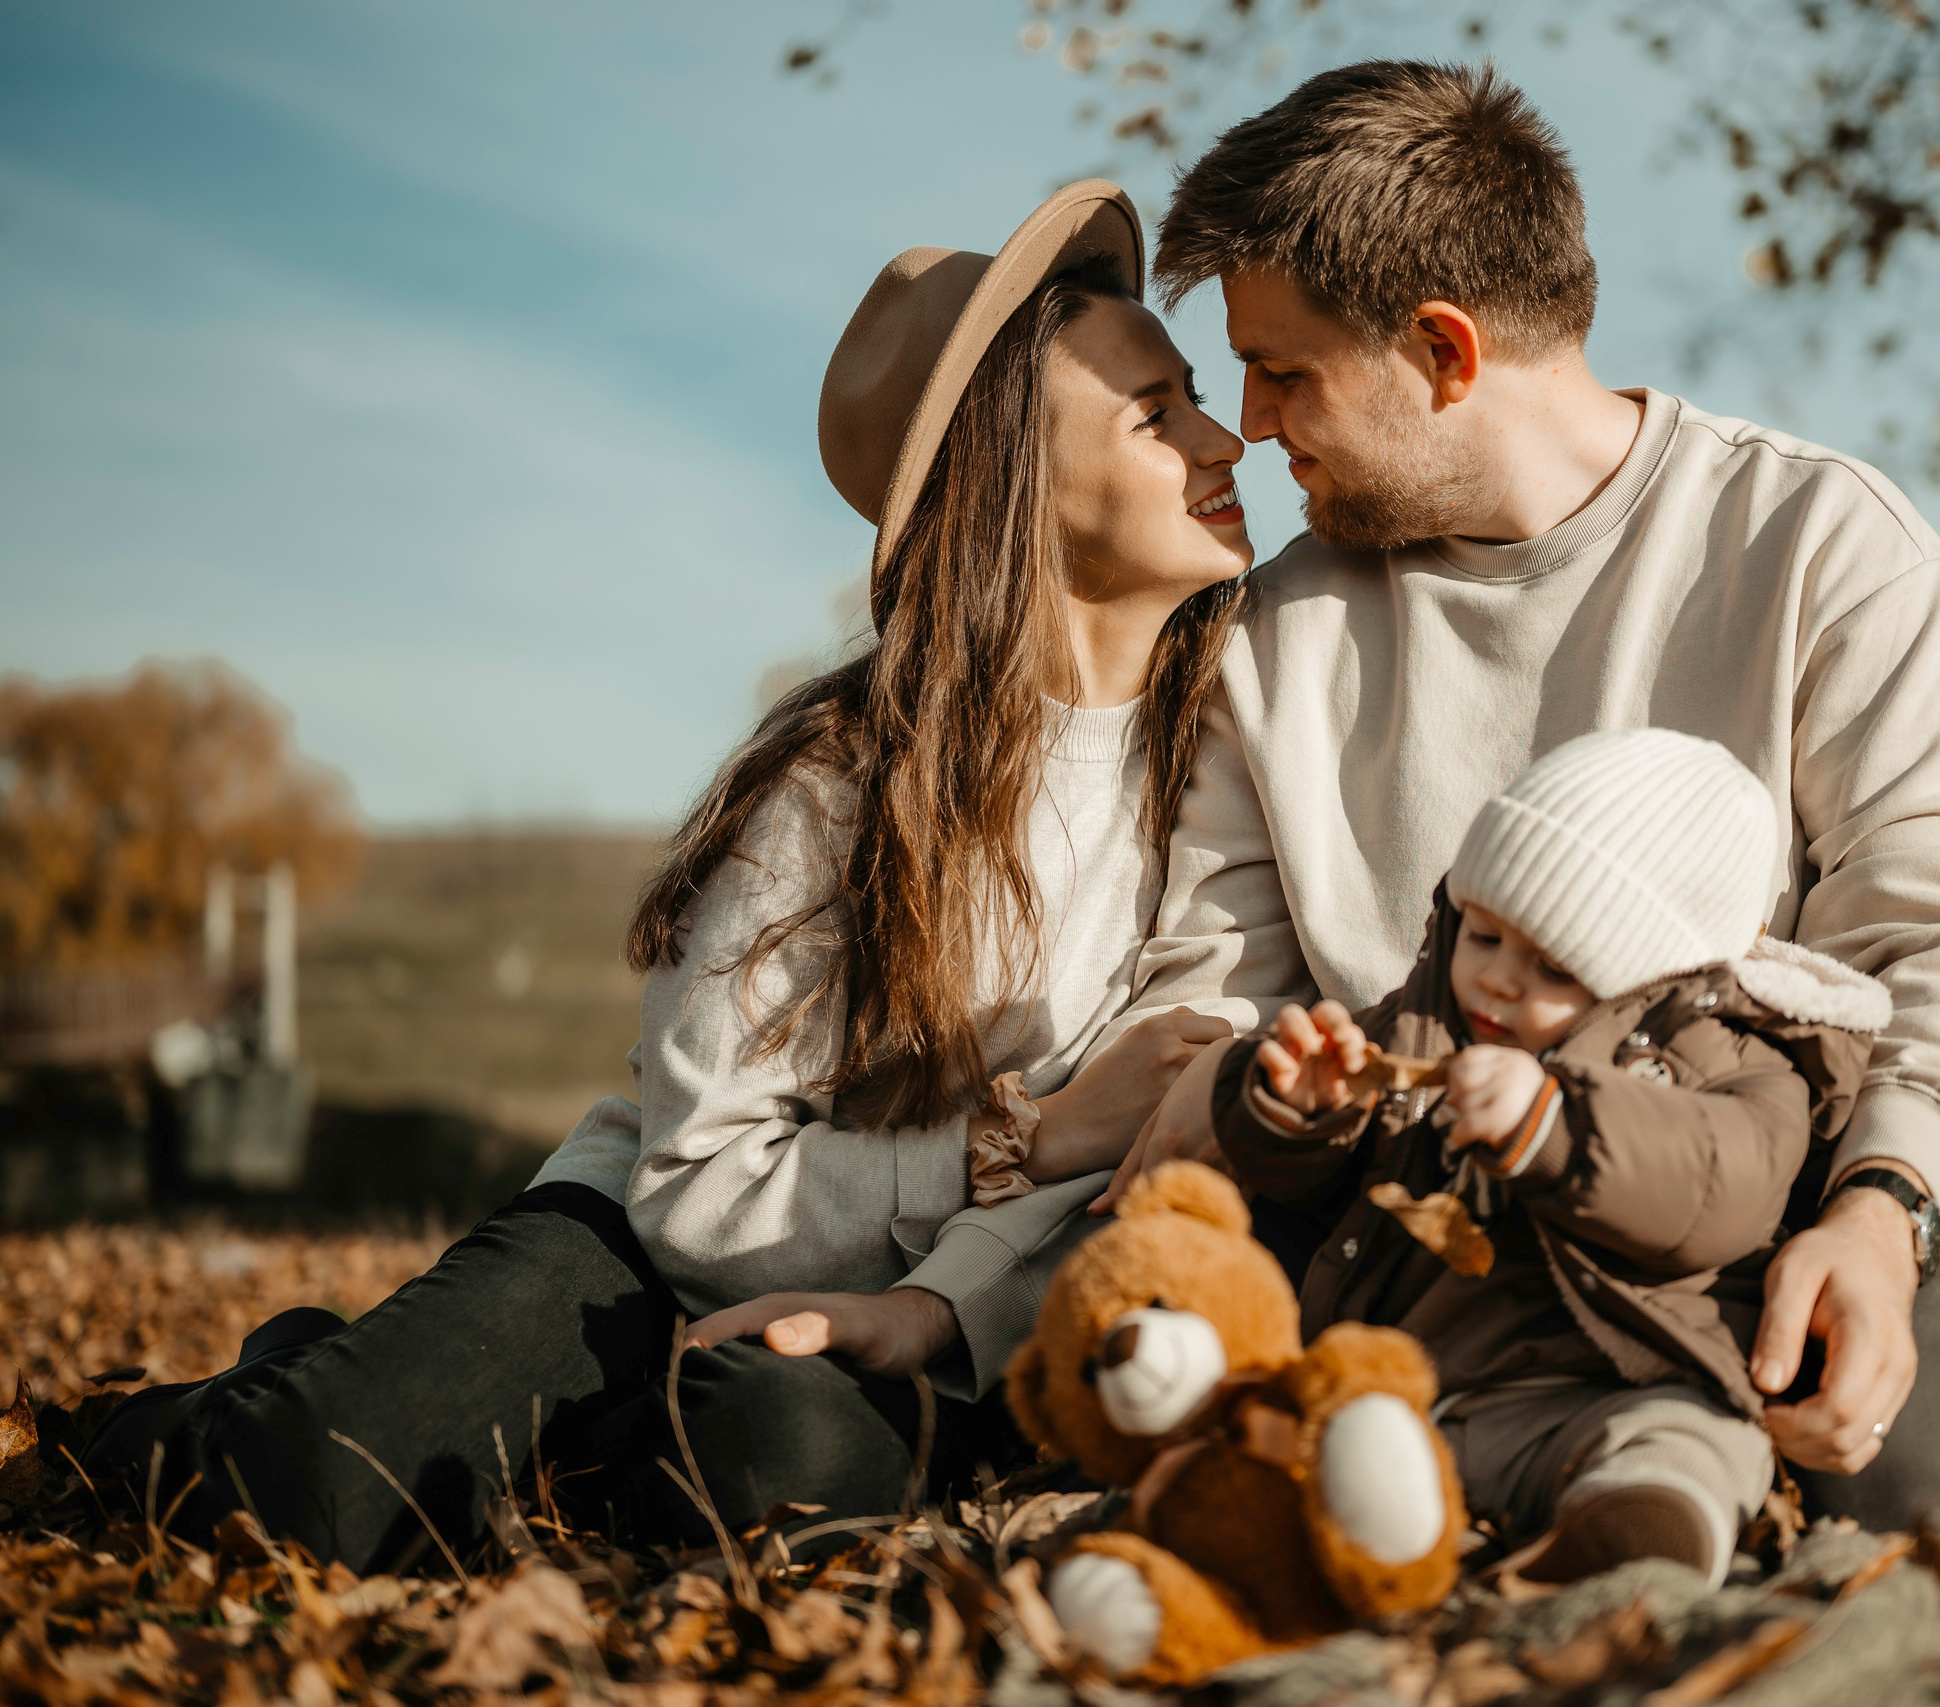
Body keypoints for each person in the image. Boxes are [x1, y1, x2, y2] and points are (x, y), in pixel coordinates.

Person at [87, 181, 1250, 1570]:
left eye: (1196, 396)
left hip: (937, 1310)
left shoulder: (1225, 756)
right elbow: (697, 1193)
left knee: (776, 1467)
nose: (1225, 436)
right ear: (1018, 482)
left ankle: (491, 1428)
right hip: (641, 1255)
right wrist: (1030, 1134)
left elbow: (1161, 1127)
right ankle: (285, 1397)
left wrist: (955, 1284)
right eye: (1156, 411)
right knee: (294, 1493)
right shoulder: (839, 786)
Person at [1096, 62, 1940, 1536]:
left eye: (1285, 370)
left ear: (1444, 349)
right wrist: (1253, 1084)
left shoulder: (1816, 545)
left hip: (1742, 1194)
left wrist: (1884, 1208)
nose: (1253, 423)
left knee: (1916, 1503)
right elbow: (1216, 977)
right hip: (1394, 1215)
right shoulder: (1267, 633)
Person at [1219, 729, 1894, 1585]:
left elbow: (1717, 1186)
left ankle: (1636, 1535)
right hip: (1429, 1384)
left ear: (1646, 979)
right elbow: (1302, 1178)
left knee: (1689, 1442)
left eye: (1550, 964)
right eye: (1485, 935)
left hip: (1610, 1384)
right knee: (1318, 1438)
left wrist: (1557, 1123)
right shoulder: (1426, 1023)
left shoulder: (1732, 1060)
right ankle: (1364, 1531)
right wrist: (1295, 1109)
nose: (1499, 979)